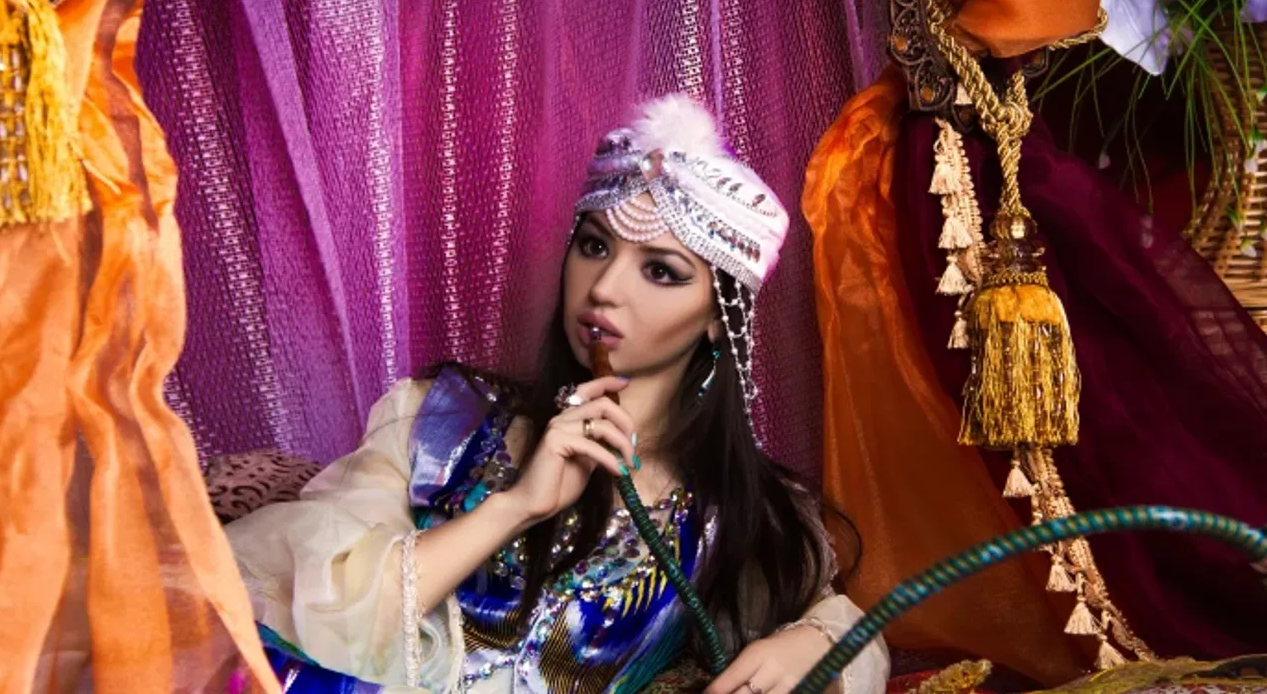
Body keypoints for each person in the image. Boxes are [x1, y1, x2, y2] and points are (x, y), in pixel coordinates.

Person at [225, 95, 891, 694]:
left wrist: (817, 641)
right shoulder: (440, 420)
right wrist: (516, 507)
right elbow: (312, 609)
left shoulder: (740, 513)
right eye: (594, 246)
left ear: (719, 317)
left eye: (661, 271)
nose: (603, 289)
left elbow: (847, 628)